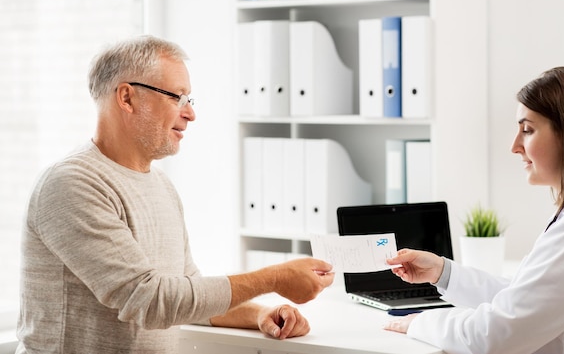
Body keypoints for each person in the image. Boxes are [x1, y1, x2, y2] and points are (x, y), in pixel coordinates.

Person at [17, 35, 334, 353]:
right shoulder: (72, 184)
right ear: (127, 98)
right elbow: (149, 301)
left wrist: (261, 314)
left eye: (189, 100)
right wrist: (274, 278)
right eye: (177, 97)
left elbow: (187, 294)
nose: (190, 114)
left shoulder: (161, 186)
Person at [384, 66, 564, 353]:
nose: (514, 146)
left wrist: (420, 323)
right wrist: (443, 272)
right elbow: (527, 299)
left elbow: (494, 337)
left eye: (527, 130)